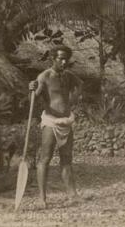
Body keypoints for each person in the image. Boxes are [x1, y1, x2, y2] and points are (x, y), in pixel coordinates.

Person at [28, 45, 83, 209]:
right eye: (61, 58)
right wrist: (31, 90)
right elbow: (33, 98)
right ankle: (42, 198)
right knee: (45, 159)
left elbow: (80, 84)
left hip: (66, 121)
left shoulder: (68, 75)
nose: (64, 62)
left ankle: (72, 195)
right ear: (53, 58)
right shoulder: (44, 76)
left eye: (66, 58)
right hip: (51, 123)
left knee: (67, 160)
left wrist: (74, 98)